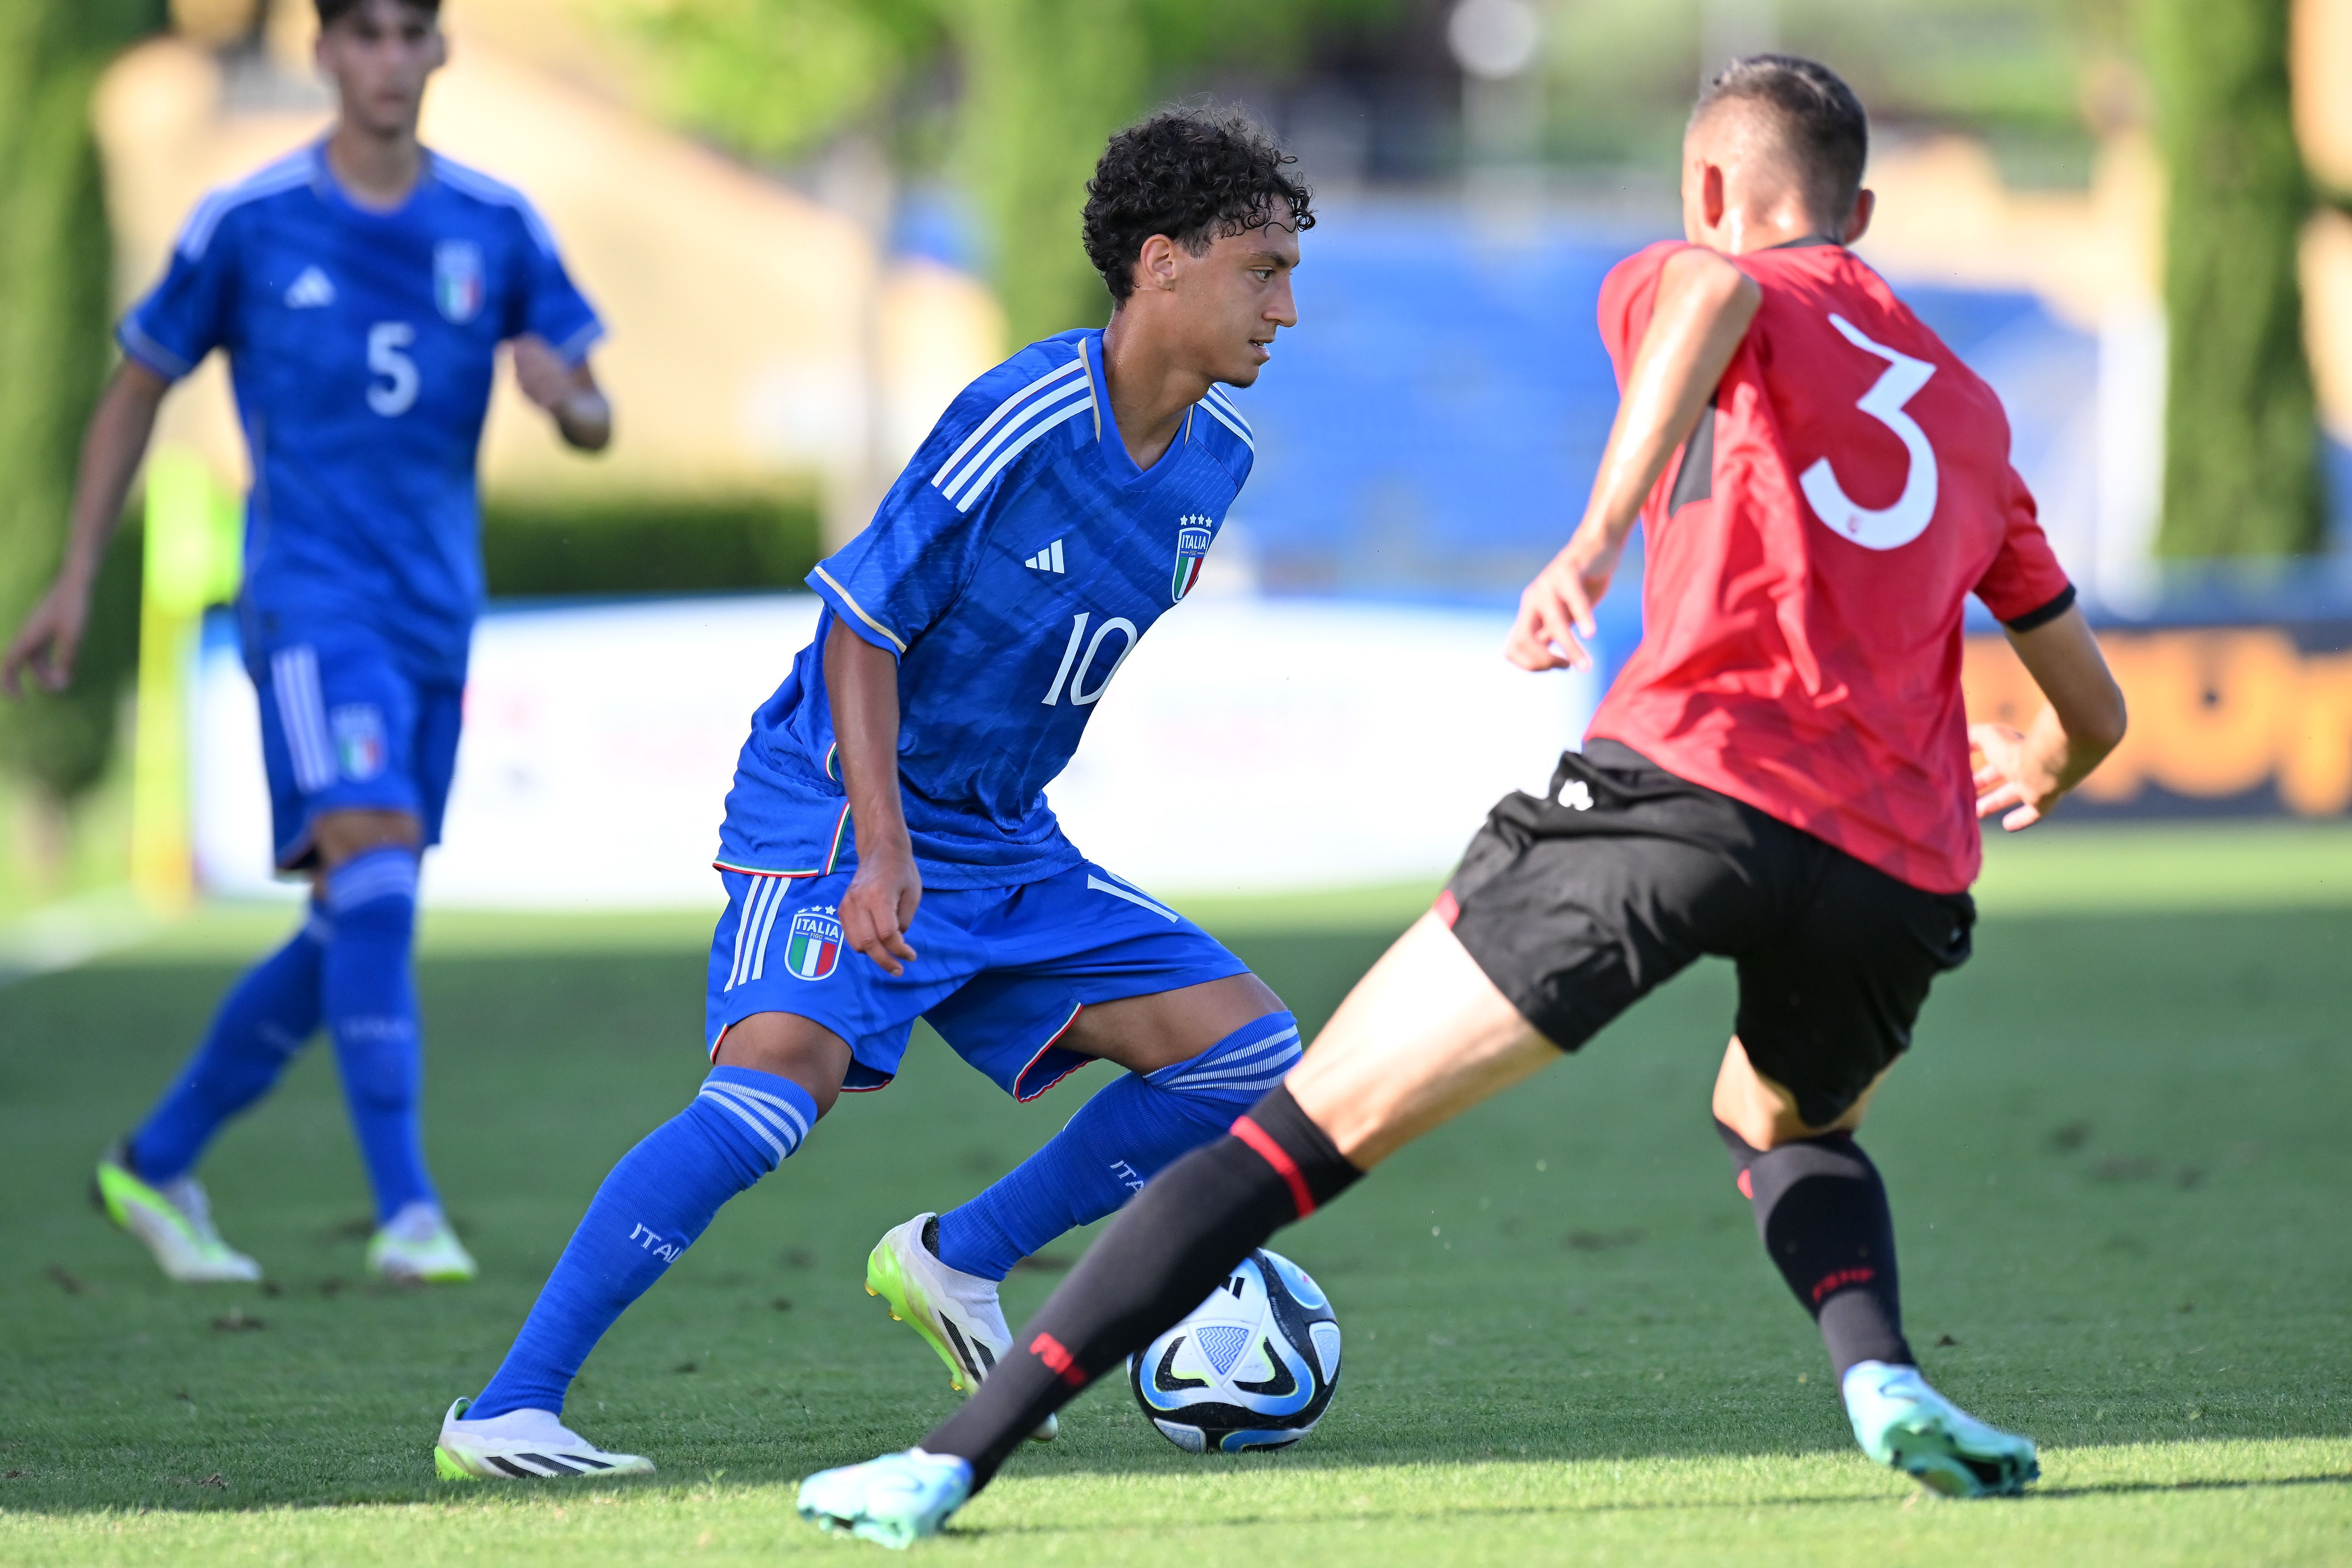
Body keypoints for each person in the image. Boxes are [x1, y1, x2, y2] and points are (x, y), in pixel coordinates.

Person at [797, 54, 2133, 1547]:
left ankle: (946, 1463)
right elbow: (2094, 711)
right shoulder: (1969, 410)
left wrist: (1595, 541)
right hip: (1900, 865)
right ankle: (1881, 1379)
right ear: (1862, 214)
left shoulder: (1693, 273)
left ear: (1709, 190)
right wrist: (2042, 764)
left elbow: (1714, 292)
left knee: (1294, 1134)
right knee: (1787, 1123)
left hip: (1690, 791)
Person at [430, 106, 1315, 1481]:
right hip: (842, 805)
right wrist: (885, 850)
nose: (1286, 310)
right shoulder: (1028, 412)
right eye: (1263, 271)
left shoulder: (1219, 464)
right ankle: (508, 1408)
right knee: (775, 1090)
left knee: (1248, 1058)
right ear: (1163, 263)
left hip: (1001, 840)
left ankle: (959, 1258)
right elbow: (862, 622)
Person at [1, 0, 611, 1285]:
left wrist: (573, 401)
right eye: (363, 34)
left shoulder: (496, 224)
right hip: (310, 605)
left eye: (409, 33)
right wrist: (75, 576)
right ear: (324, 52)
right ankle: (410, 1214)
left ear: (440, 50)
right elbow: (136, 386)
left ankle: (157, 1160)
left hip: (436, 615)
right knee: (374, 874)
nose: (388, 58)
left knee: (358, 913)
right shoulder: (251, 221)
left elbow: (594, 408)